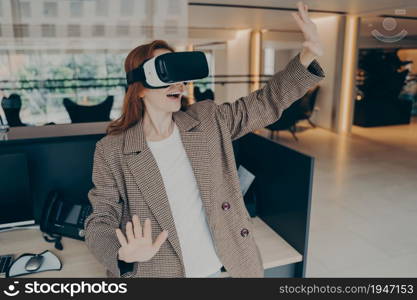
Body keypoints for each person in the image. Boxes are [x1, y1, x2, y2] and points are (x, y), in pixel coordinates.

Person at [84, 2, 325, 278]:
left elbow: (265, 102)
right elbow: (100, 219)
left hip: (220, 267)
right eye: (166, 75)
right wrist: (121, 253)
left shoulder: (209, 120)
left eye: (181, 77)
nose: (179, 85)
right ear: (139, 89)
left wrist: (307, 56)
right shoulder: (112, 151)